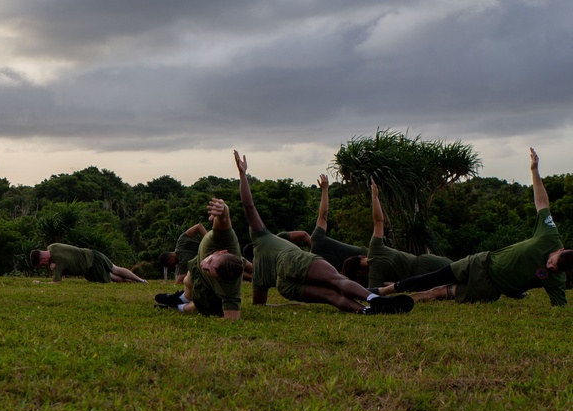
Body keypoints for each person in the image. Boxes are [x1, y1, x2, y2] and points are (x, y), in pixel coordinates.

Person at [375, 148, 572, 306]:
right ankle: (378, 293)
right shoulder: (550, 236)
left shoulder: (556, 280)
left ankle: (389, 303)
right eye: (551, 261)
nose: (548, 266)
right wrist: (534, 171)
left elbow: (560, 306)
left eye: (553, 269)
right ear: (560, 250)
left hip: (486, 286)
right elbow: (542, 204)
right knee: (431, 278)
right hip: (481, 261)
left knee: (435, 293)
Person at [237, 150, 414, 314]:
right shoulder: (263, 237)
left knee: (331, 297)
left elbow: (259, 306)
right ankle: (374, 299)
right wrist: (243, 175)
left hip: (284, 286)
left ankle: (366, 311)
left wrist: (289, 304)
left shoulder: (258, 274)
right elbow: (249, 206)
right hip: (293, 260)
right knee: (338, 281)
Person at [341, 178, 450, 289]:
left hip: (418, 276)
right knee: (461, 270)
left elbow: (372, 293)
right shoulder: (375, 247)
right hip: (426, 260)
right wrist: (375, 197)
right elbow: (378, 221)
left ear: (361, 272)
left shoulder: (375, 274)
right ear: (362, 256)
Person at [153, 199, 247, 319]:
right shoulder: (224, 239)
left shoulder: (228, 288)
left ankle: (178, 307)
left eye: (209, 270)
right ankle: (181, 298)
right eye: (210, 262)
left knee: (200, 304)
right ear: (222, 252)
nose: (205, 266)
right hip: (196, 261)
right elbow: (224, 220)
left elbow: (233, 318)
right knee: (189, 279)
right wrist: (223, 209)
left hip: (210, 289)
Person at [30, 244, 146, 283]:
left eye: (42, 264)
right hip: (93, 253)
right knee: (115, 269)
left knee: (111, 276)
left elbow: (56, 282)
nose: (44, 266)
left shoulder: (57, 263)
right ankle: (139, 280)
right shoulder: (52, 246)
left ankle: (133, 281)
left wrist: (39, 282)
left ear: (43, 260)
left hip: (91, 266)